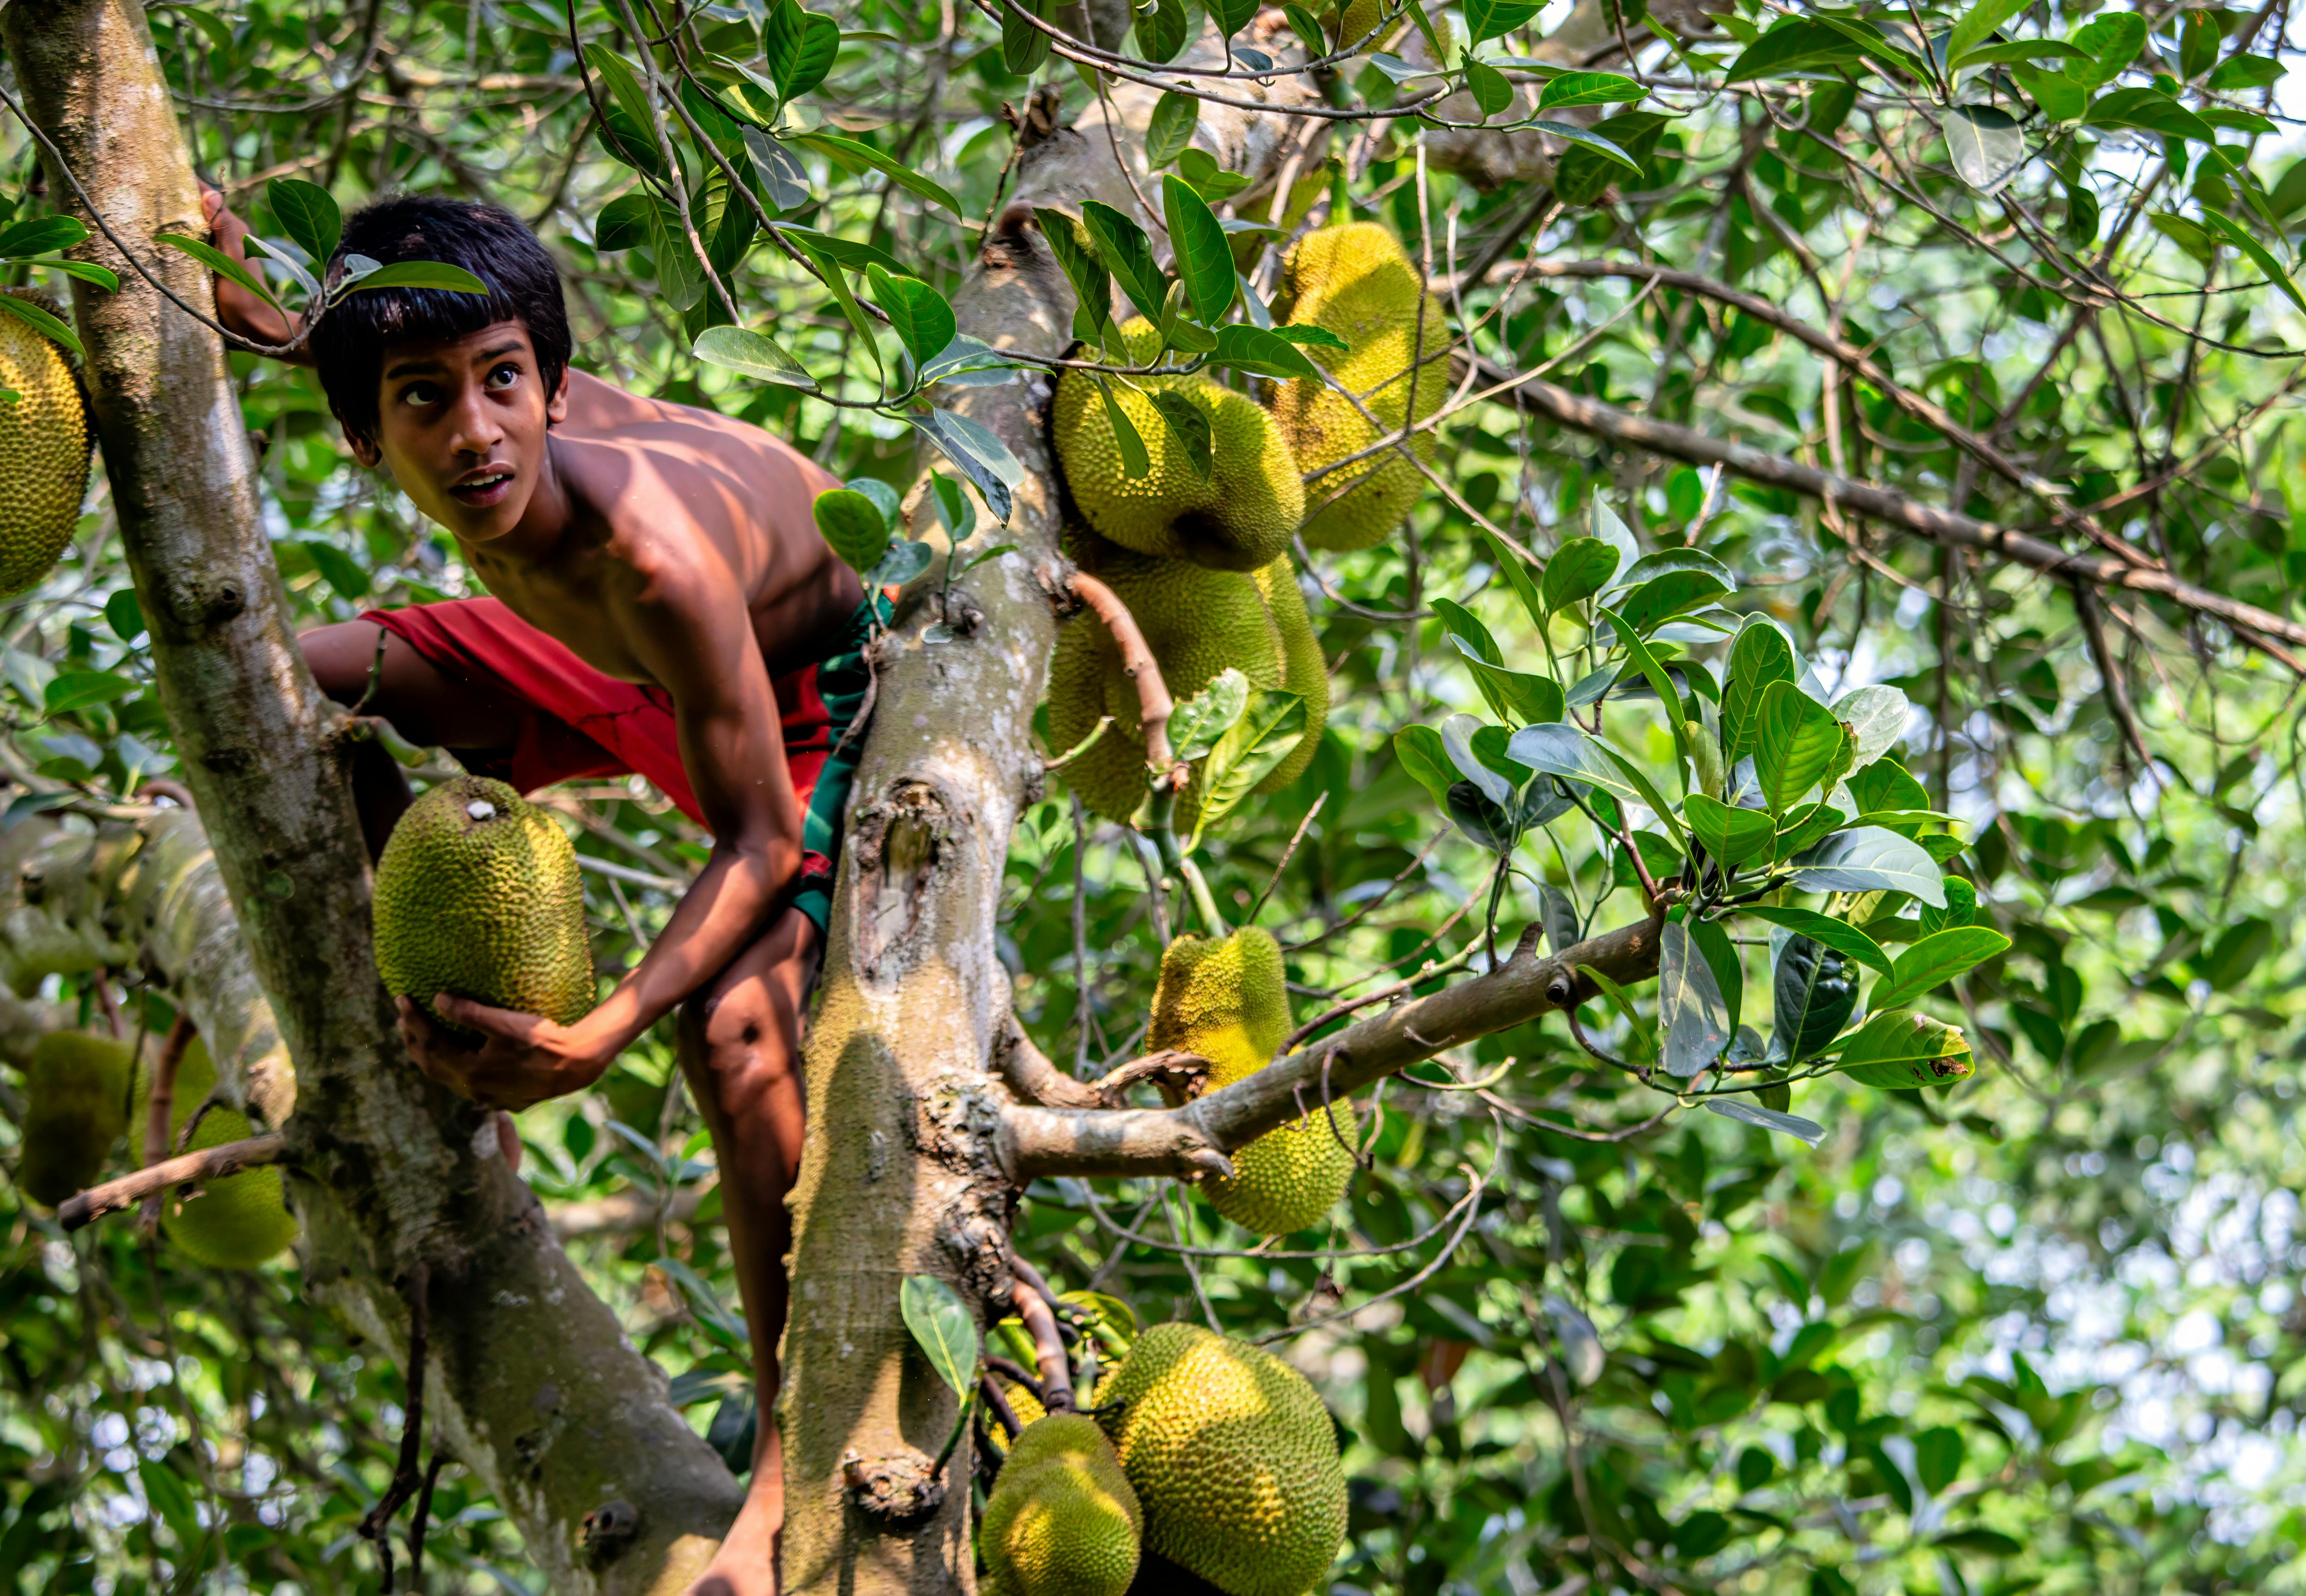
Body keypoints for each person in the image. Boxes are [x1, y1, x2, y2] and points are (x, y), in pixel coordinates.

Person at [200, 188, 863, 1596]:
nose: (475, 431)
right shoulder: (411, 387)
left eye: (505, 383)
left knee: (736, 1038)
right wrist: (218, 261)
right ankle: (442, 1032)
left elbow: (756, 839)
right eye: (423, 401)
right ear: (362, 435)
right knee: (294, 681)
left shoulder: (652, 552)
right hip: (601, 670)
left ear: (554, 388)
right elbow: (300, 313)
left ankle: (788, 1461)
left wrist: (604, 1025)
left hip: (805, 706)